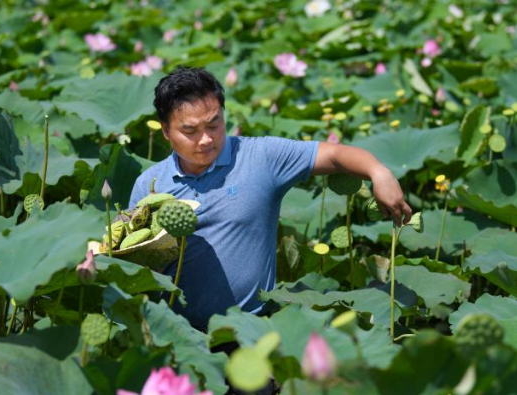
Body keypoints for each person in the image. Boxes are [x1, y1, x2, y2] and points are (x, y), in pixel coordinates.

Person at [128, 66, 411, 332]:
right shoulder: (149, 186)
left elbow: (334, 155)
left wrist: (379, 172)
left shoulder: (261, 158)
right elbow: (136, 266)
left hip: (251, 329)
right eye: (189, 131)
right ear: (166, 131)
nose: (205, 139)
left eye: (214, 124)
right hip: (177, 333)